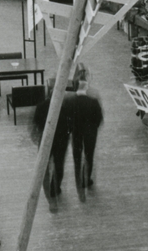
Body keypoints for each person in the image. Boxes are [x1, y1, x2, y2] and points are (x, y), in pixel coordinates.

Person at [31, 78, 76, 208]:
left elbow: (36, 123)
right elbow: (71, 125)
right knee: (59, 165)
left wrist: (37, 135)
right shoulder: (66, 107)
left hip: (46, 140)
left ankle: (48, 195)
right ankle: (55, 189)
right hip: (61, 141)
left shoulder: (41, 106)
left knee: (44, 168)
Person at [69, 64, 104, 200]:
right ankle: (86, 179)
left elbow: (68, 119)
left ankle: (79, 185)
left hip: (76, 133)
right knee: (89, 157)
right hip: (90, 133)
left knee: (77, 158)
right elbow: (99, 118)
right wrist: (93, 128)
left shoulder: (71, 102)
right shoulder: (93, 101)